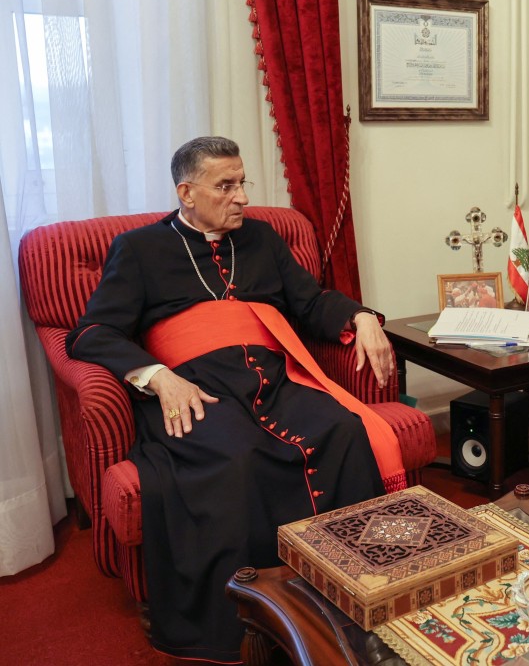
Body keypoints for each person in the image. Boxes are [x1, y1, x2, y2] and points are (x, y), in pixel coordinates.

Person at [66, 136, 405, 663]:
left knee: (342, 429)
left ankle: (354, 592)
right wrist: (158, 377)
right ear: (187, 193)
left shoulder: (262, 239)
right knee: (236, 456)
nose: (242, 196)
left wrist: (362, 317)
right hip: (195, 385)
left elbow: (310, 302)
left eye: (242, 182)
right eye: (226, 185)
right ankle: (251, 613)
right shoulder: (139, 249)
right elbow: (90, 333)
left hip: (272, 376)